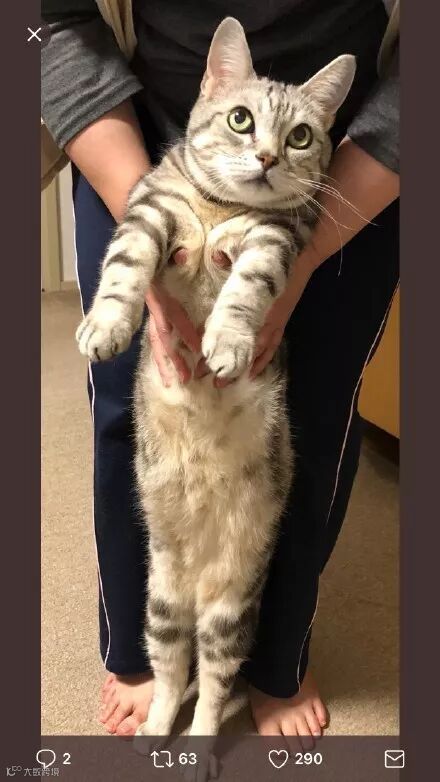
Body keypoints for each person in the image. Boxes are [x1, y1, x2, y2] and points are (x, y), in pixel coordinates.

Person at [41, 0, 399, 740]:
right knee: (127, 406)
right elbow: (47, 19)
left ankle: (278, 659)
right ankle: (138, 652)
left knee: (317, 417)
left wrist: (298, 259)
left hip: (340, 162)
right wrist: (153, 243)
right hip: (145, 122)